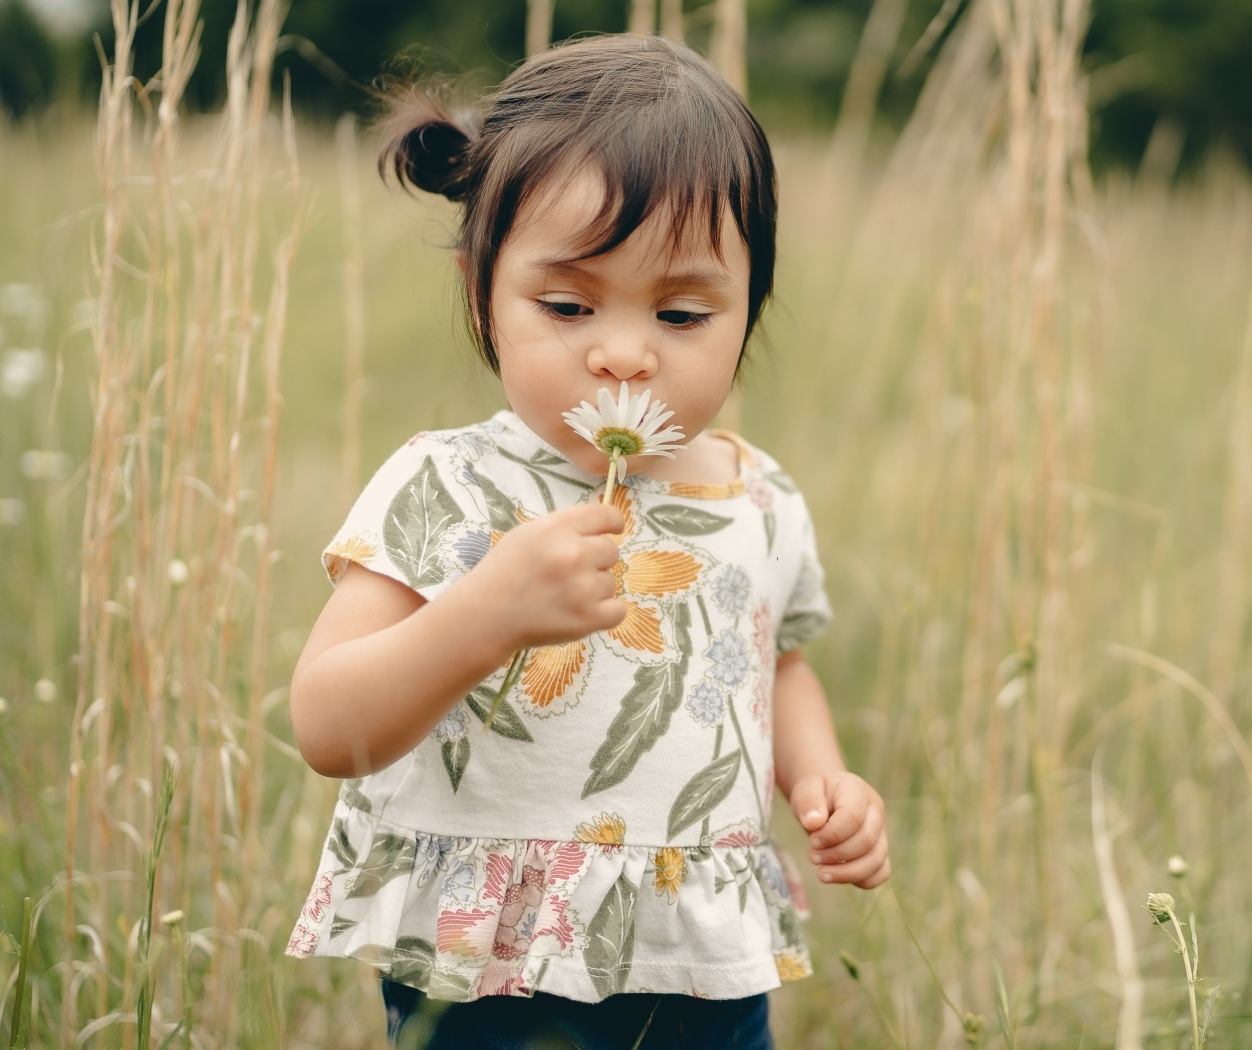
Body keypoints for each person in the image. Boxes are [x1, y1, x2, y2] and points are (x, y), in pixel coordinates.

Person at [284, 34, 890, 1049]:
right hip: (493, 962)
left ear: (749, 311)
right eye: (566, 305)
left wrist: (821, 777)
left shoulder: (762, 498)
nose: (622, 353)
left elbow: (775, 661)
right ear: (483, 289)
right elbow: (327, 725)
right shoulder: (453, 483)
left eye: (685, 312)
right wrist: (481, 616)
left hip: (701, 950)